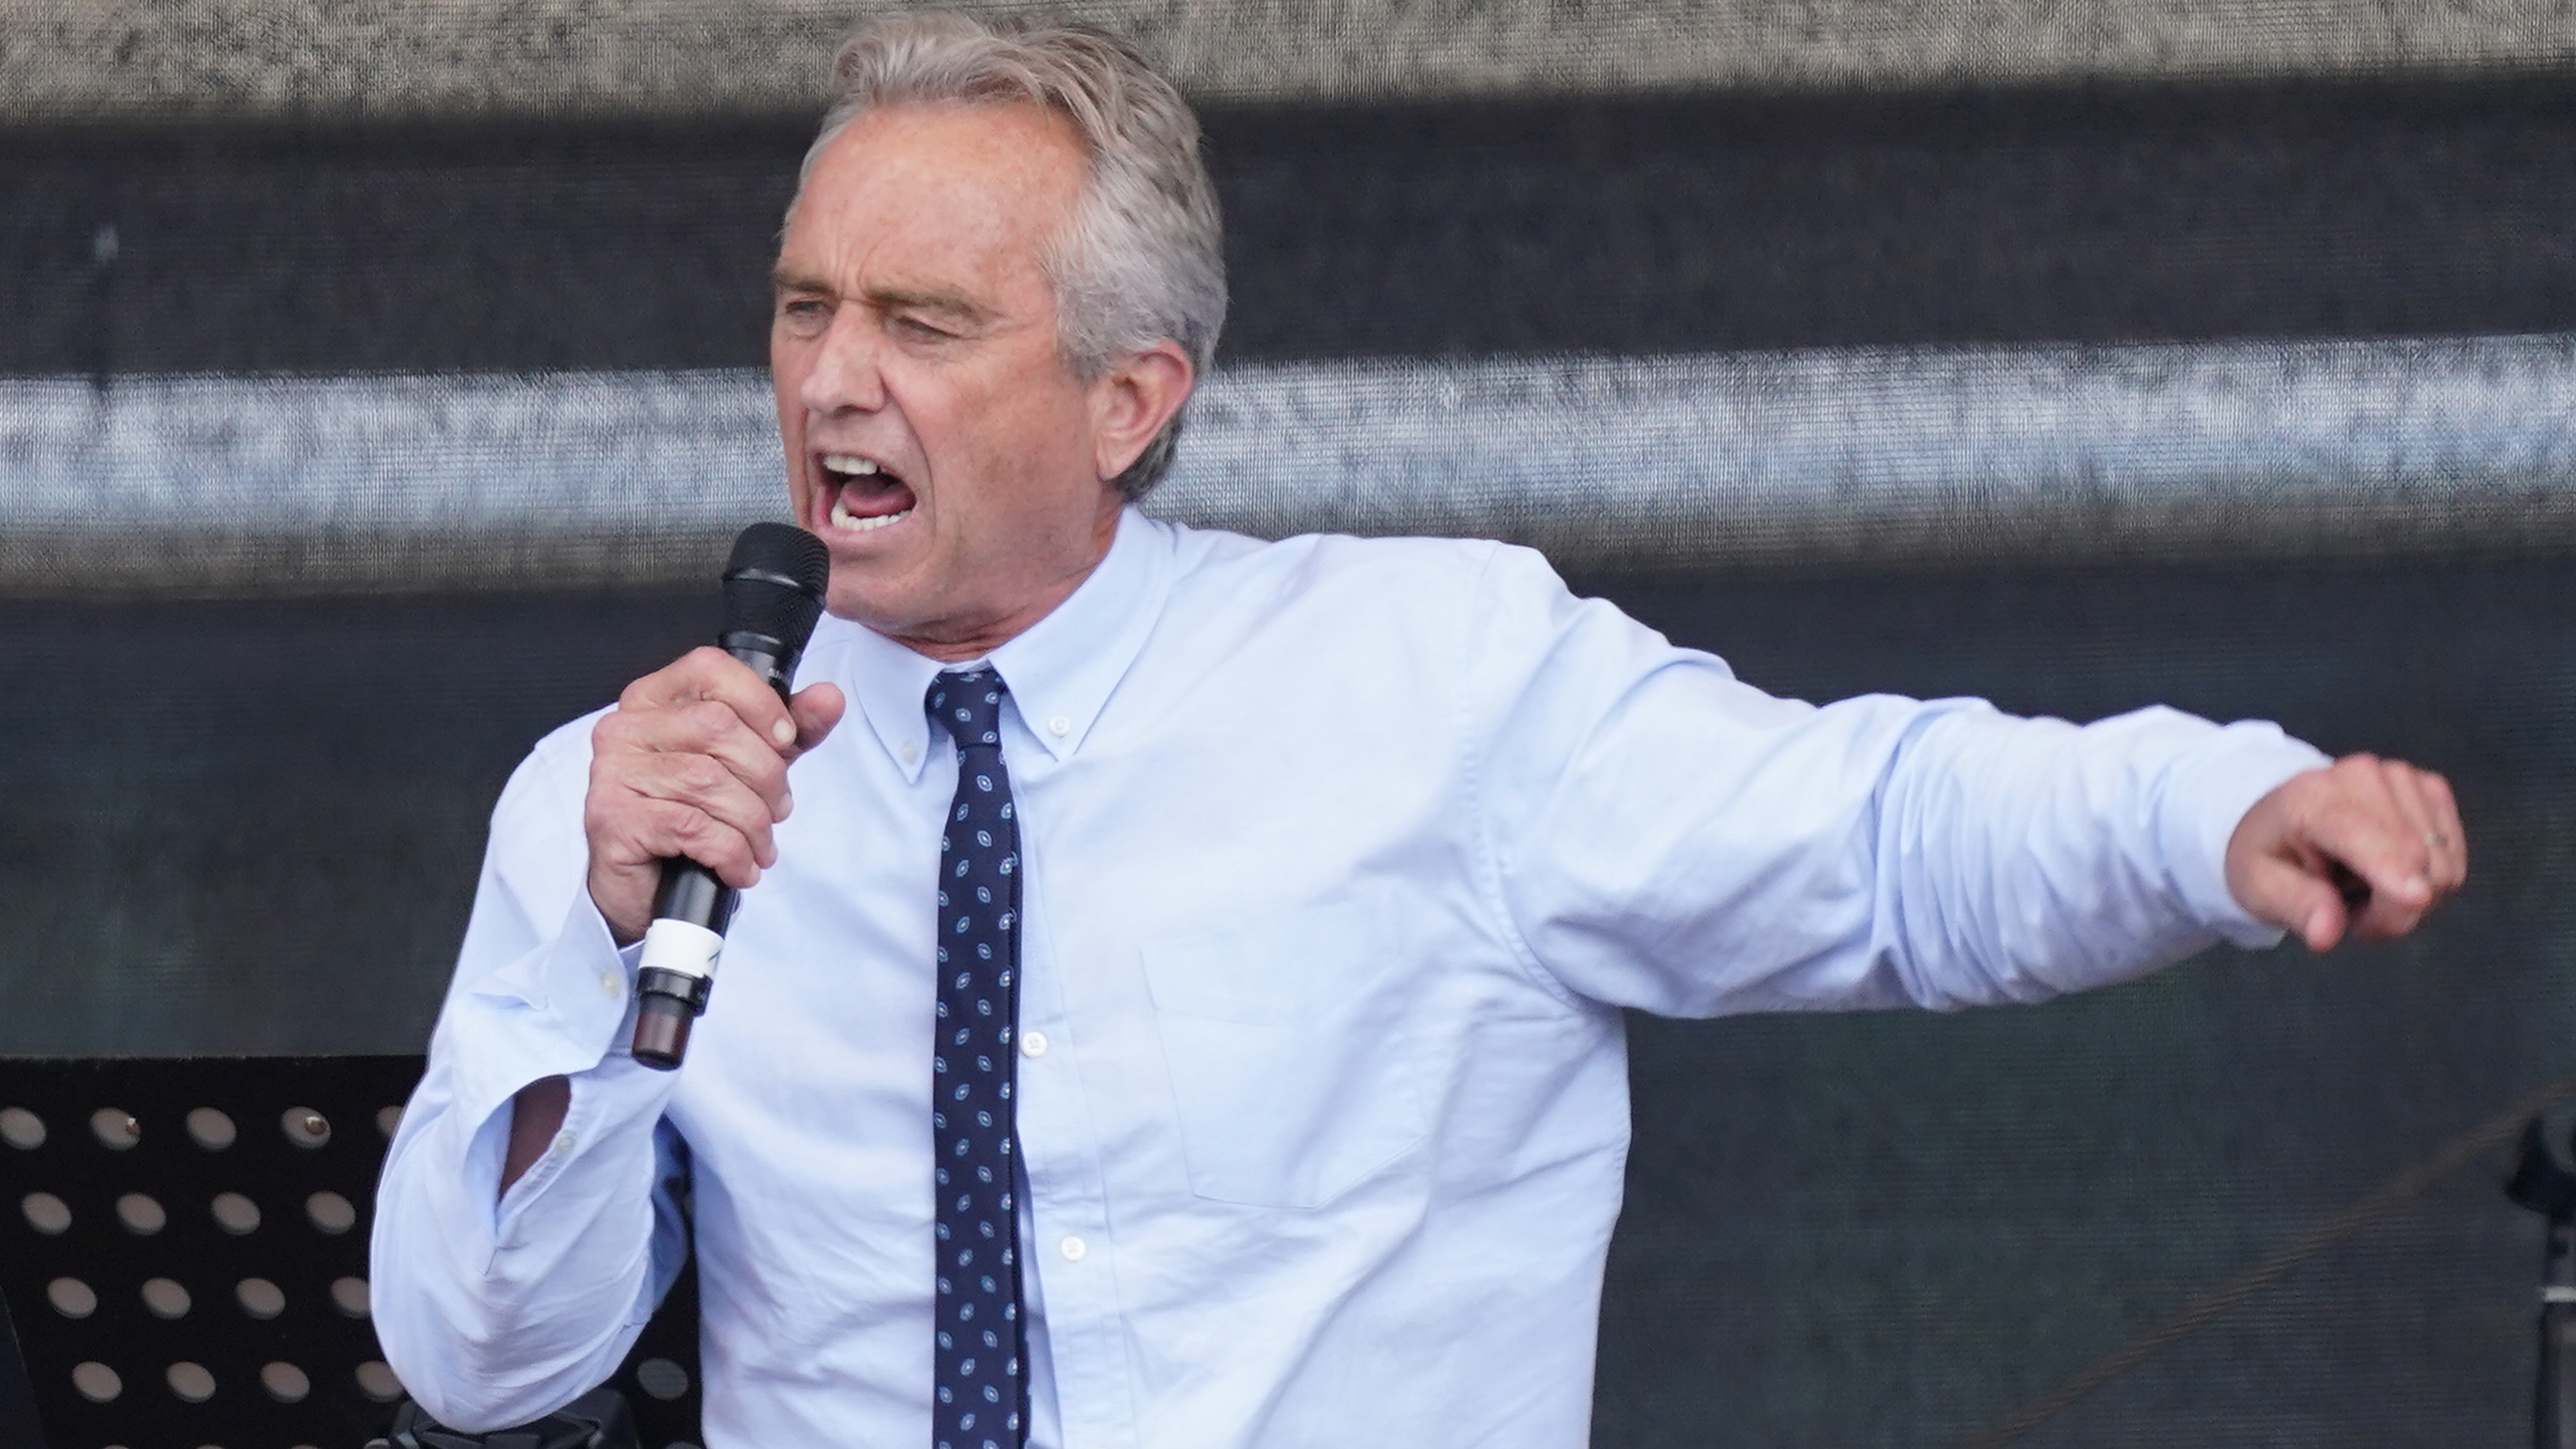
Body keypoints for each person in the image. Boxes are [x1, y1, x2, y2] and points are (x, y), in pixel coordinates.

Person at [368, 12, 2467, 1447]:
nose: (835, 380)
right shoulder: (629, 791)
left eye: (923, 325)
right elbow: (481, 1360)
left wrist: (2213, 805)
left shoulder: (1428, 679)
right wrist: (595, 935)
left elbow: (1882, 837)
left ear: (1131, 398)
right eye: (806, 305)